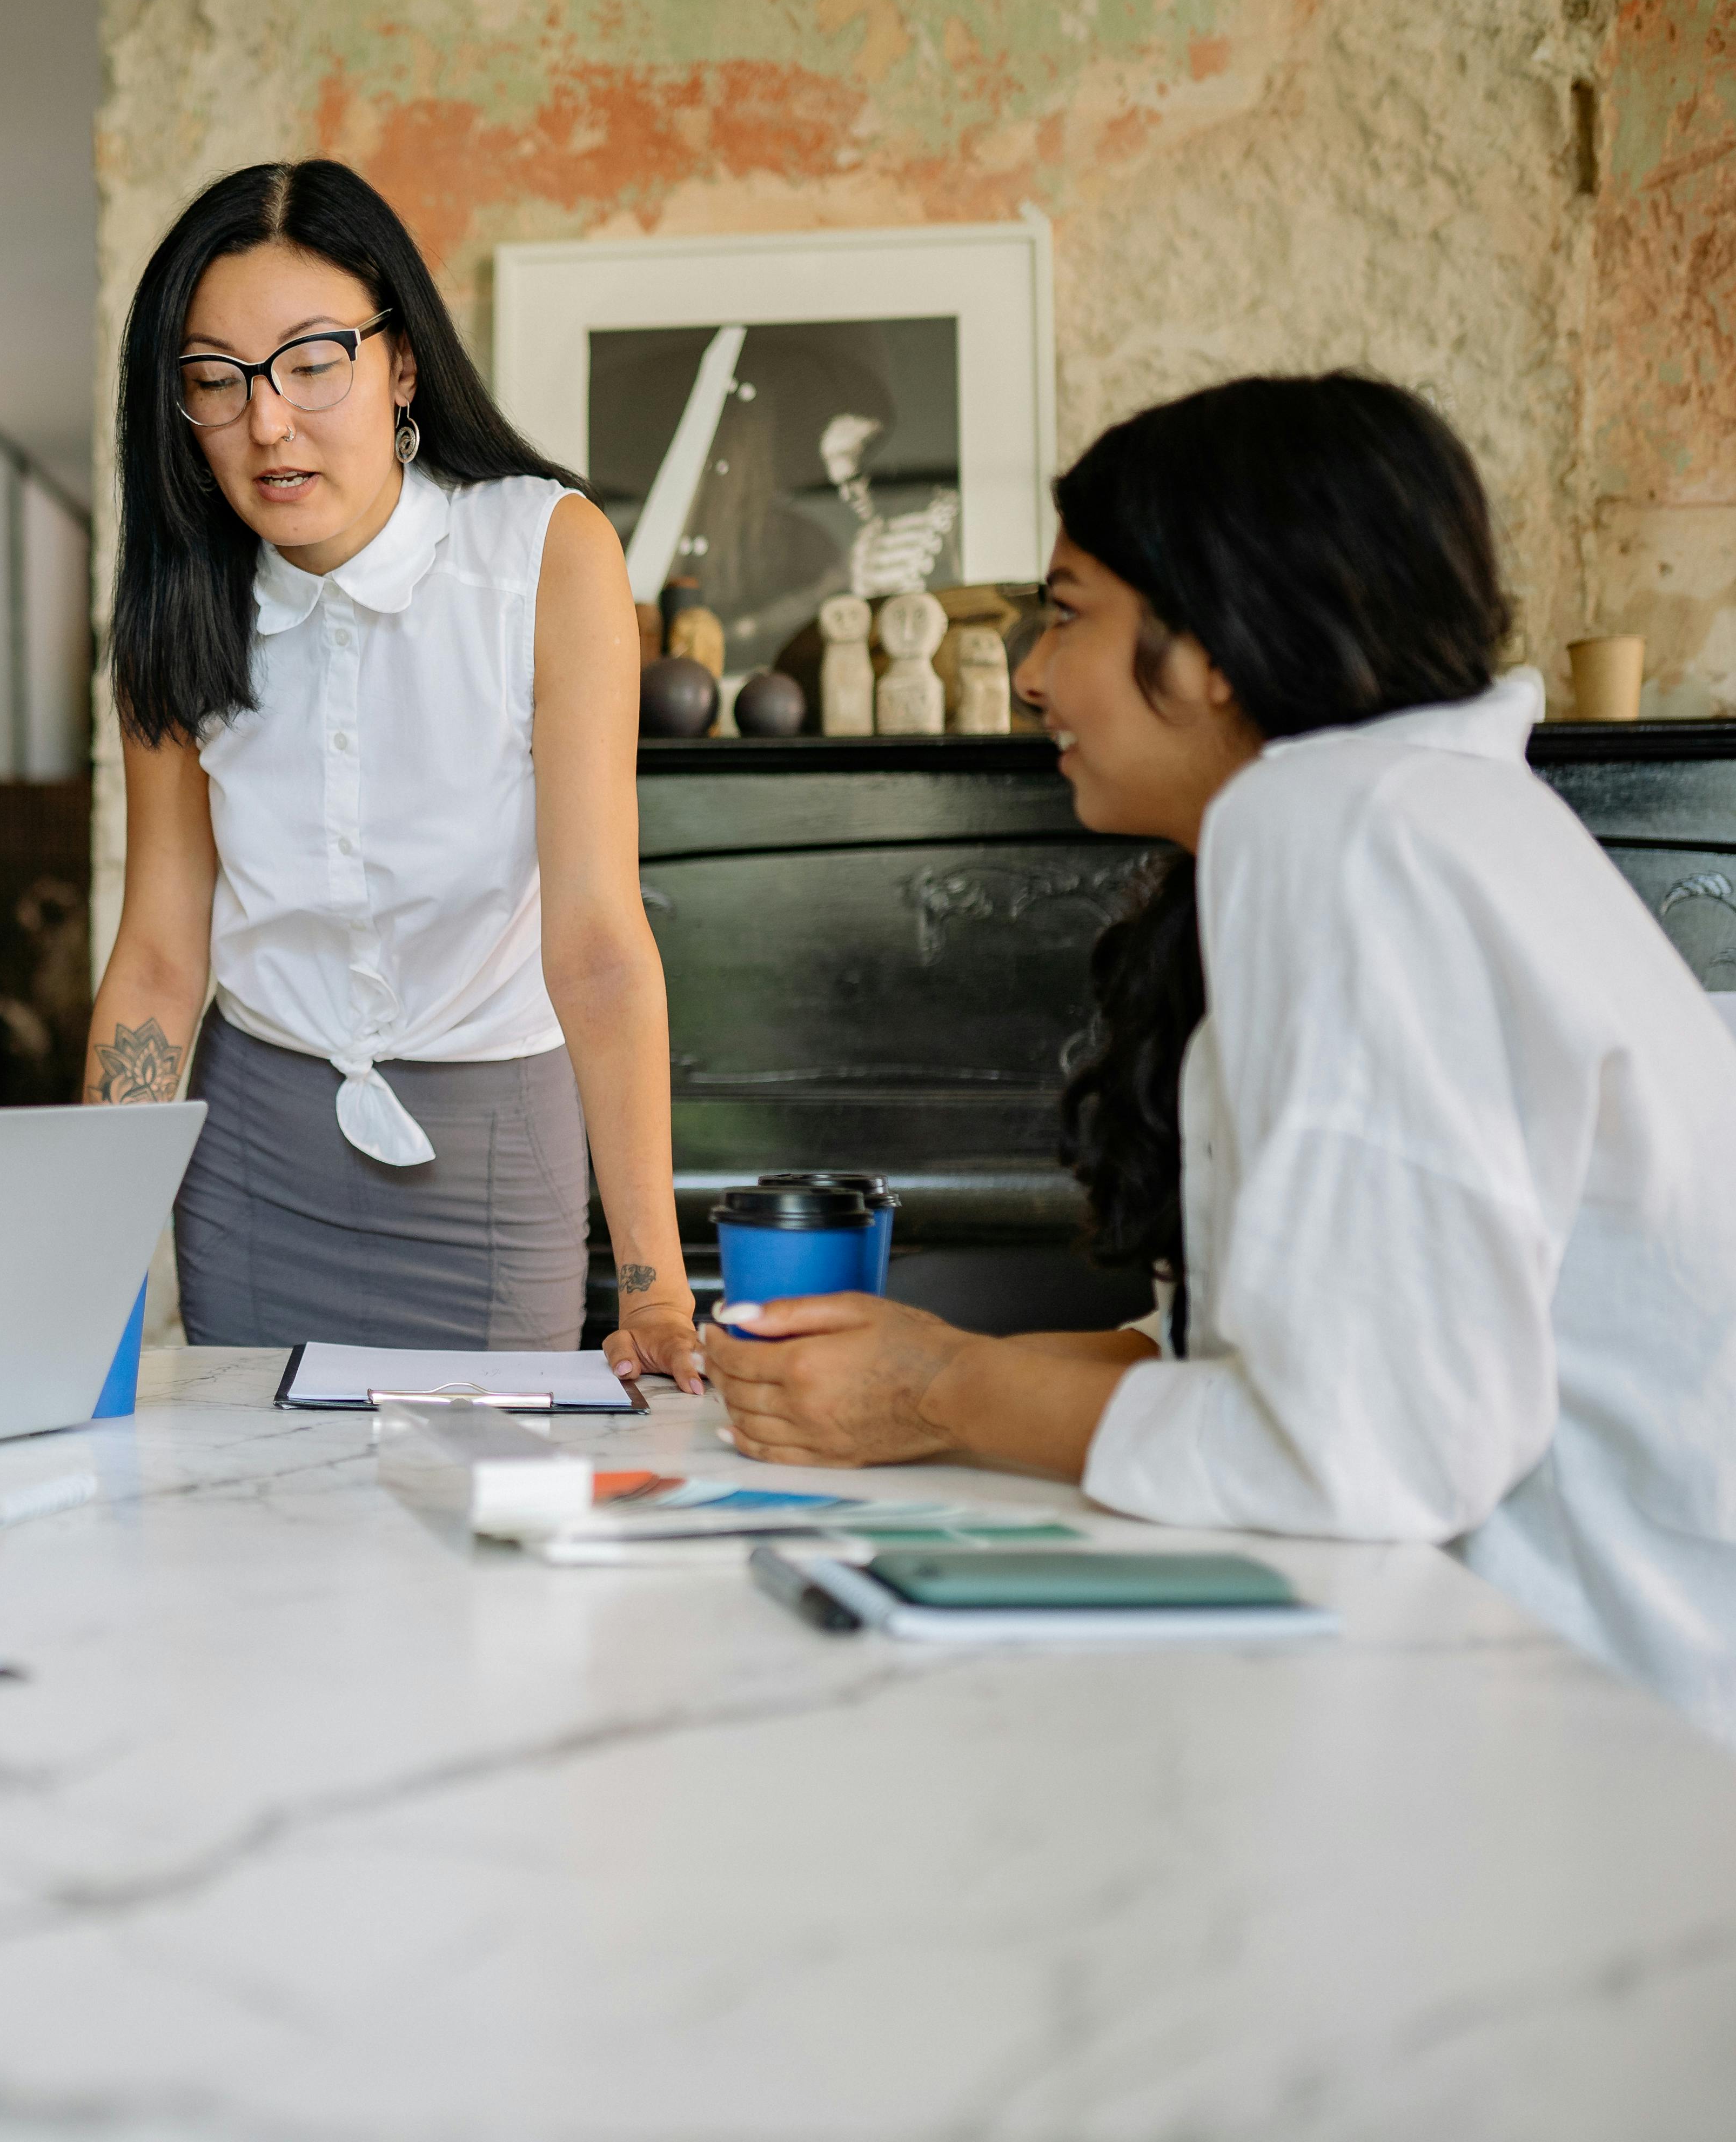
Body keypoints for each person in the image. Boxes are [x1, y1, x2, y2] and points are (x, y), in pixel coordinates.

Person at [702, 373, 1736, 1737]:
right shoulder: (1412, 814)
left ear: (1220, 646)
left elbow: (1363, 1451)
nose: (1028, 675)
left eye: (1066, 614)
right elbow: (1279, 1364)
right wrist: (927, 1367)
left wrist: (938, 1386)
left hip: (1609, 1726)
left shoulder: (1352, 833)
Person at [85, 159, 703, 1391]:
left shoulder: (545, 553)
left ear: (401, 361)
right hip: (252, 1149)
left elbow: (592, 934)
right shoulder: (178, 605)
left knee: (484, 1542)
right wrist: (84, 1261)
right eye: (215, 381)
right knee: (258, 1530)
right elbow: (159, 955)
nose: (267, 422)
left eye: (313, 363)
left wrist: (656, 1283)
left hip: (491, 1136)